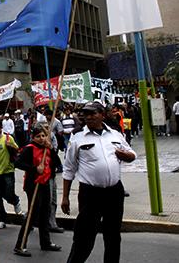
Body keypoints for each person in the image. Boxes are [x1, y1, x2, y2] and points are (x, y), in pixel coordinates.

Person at [61, 101, 136, 263]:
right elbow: (68, 169)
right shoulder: (77, 136)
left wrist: (126, 156)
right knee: (84, 237)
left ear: (102, 114)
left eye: (92, 113)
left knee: (113, 236)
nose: (88, 117)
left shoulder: (115, 134)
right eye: (86, 114)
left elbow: (131, 154)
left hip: (114, 192)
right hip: (90, 194)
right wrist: (65, 197)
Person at [13, 125, 62, 257]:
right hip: (33, 184)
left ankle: (45, 242)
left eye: (43, 136)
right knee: (33, 214)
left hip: (45, 182)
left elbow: (57, 163)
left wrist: (51, 148)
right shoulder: (29, 149)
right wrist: (34, 169)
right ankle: (20, 245)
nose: (41, 139)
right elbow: (17, 163)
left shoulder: (47, 149)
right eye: (38, 136)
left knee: (45, 212)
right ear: (33, 137)